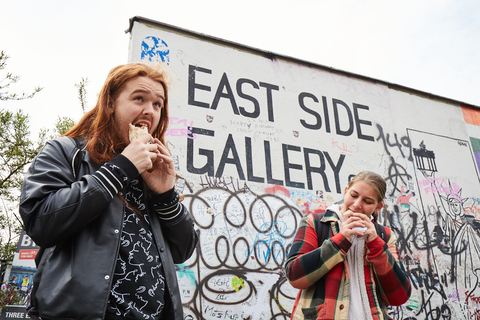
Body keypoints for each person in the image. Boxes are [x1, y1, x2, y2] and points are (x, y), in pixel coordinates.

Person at [19, 63, 198, 320]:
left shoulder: (151, 171)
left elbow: (183, 250)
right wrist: (121, 168)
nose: (149, 111)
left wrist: (165, 194)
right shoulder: (68, 152)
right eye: (139, 99)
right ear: (110, 104)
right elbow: (40, 221)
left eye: (158, 104)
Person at [285, 171, 411, 320]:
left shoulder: (385, 236)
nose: (357, 205)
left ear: (378, 206)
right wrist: (340, 241)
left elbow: (399, 296)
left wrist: (375, 244)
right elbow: (295, 276)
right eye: (353, 195)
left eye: (368, 201)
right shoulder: (315, 223)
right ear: (346, 192)